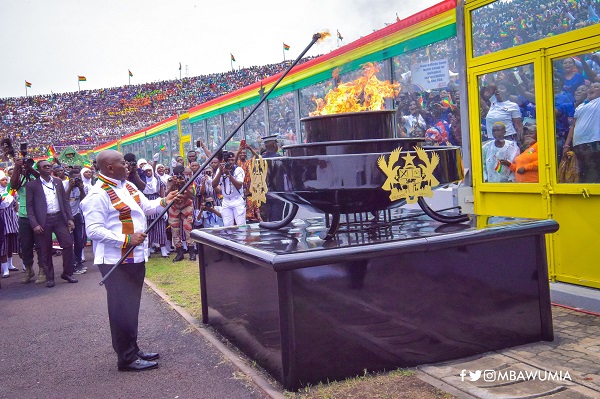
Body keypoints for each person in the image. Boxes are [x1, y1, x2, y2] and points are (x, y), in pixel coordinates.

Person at [80, 149, 179, 372]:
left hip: (136, 257)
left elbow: (147, 208)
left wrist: (166, 200)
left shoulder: (128, 185)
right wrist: (126, 239)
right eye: (123, 164)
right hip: (116, 259)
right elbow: (93, 230)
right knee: (121, 308)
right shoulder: (98, 194)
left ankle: (132, 349)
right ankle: (125, 358)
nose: (128, 166)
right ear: (109, 169)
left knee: (131, 306)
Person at [25, 159, 77, 288]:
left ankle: (67, 273)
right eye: (45, 166)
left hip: (60, 218)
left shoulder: (58, 182)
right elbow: (29, 207)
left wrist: (70, 218)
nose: (48, 168)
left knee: (68, 244)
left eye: (49, 166)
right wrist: (35, 224)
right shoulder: (32, 185)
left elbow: (65, 201)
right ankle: (49, 277)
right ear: (39, 169)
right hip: (43, 221)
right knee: (46, 249)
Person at [563, 82, 600, 182]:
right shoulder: (580, 106)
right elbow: (573, 126)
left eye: (596, 87)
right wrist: (566, 145)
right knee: (582, 173)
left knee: (594, 173)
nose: (592, 88)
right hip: (579, 145)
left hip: (594, 143)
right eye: (591, 87)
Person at [212, 151, 245, 227]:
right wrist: (220, 172)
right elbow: (213, 184)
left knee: (241, 225)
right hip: (226, 200)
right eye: (228, 160)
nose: (230, 162)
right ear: (224, 161)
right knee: (227, 225)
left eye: (232, 160)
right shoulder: (220, 170)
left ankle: (241, 239)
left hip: (237, 200)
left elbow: (239, 185)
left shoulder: (238, 170)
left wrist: (229, 175)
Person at [64, 169, 87, 274]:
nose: (77, 180)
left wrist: (81, 189)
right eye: (75, 178)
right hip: (65, 216)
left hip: (77, 215)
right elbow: (63, 199)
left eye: (79, 178)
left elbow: (83, 201)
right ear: (70, 178)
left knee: (79, 240)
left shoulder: (82, 186)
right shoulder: (64, 185)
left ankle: (78, 262)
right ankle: (71, 265)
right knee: (69, 241)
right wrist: (70, 187)